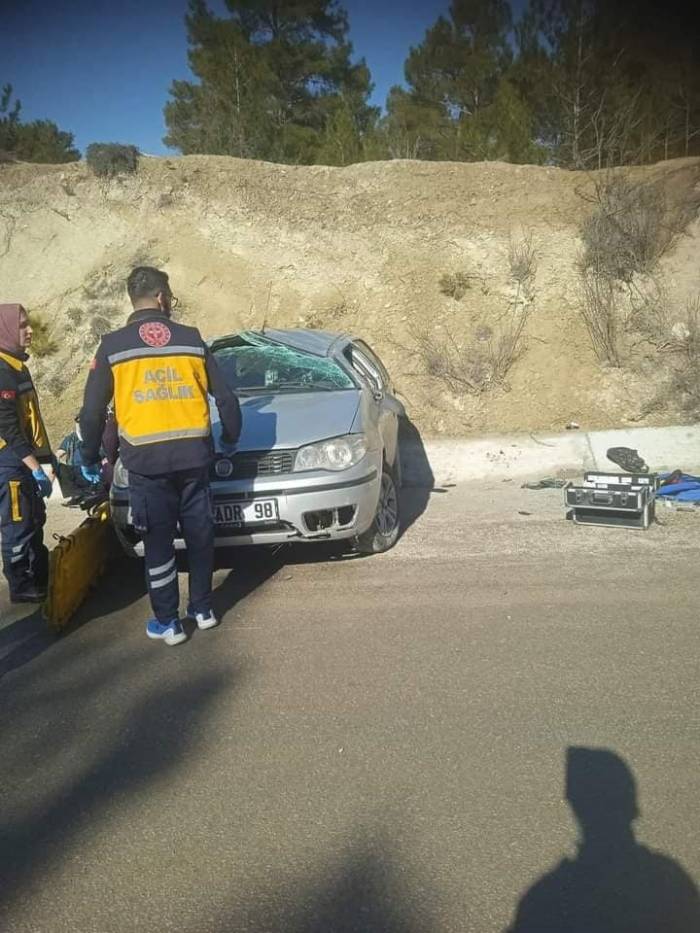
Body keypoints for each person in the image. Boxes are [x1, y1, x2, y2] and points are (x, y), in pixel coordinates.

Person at [79, 266, 241, 646]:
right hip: (194, 460)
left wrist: (89, 456)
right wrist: (231, 439)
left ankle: (167, 622)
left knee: (159, 545)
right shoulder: (191, 339)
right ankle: (202, 609)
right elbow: (227, 400)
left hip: (147, 468)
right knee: (201, 536)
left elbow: (91, 413)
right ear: (163, 297)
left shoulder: (113, 346)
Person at [0, 304, 54, 603]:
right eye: (22, 325)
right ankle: (21, 584)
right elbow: (7, 427)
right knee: (17, 523)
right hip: (9, 462)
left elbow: (32, 420)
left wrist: (47, 461)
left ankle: (40, 574)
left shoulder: (19, 367)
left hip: (26, 458)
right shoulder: (1, 370)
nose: (30, 330)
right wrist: (34, 467)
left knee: (35, 517)